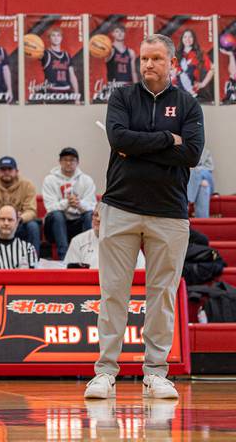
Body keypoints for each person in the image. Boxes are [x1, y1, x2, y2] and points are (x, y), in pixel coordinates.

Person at [85, 34, 204, 400]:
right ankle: (105, 373)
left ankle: (155, 373)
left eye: (155, 59)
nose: (148, 65)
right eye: (143, 59)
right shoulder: (122, 97)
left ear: (172, 63)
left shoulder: (188, 104)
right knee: (113, 295)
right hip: (120, 208)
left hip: (169, 214)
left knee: (162, 296)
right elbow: (119, 139)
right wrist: (169, 141)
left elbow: (193, 154)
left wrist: (139, 147)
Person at [42, 148, 97, 259]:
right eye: (65, 160)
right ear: (60, 162)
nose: (68, 163)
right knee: (57, 215)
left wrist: (78, 203)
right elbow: (50, 208)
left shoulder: (86, 180)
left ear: (77, 162)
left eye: (72, 160)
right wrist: (67, 203)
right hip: (56, 225)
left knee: (89, 215)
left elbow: (92, 206)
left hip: (78, 222)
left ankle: (89, 254)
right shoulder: (50, 180)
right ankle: (64, 258)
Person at [0, 157, 40, 253]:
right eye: (3, 169)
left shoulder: (27, 185)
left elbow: (31, 210)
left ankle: (33, 262)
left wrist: (19, 219)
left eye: (10, 169)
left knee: (33, 226)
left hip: (18, 225)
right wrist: (0, 219)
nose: (6, 172)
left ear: (16, 171)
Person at [65, 207, 145, 269]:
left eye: (103, 216)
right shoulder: (78, 241)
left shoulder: (129, 241)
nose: (98, 219)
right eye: (96, 215)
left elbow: (141, 270)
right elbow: (70, 273)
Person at [173, 28, 214, 98]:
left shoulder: (200, 54)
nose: (187, 39)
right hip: (175, 92)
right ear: (182, 39)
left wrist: (203, 84)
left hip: (192, 93)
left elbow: (212, 69)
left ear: (194, 39)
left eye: (190, 37)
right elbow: (171, 71)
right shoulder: (176, 54)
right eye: (185, 37)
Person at [41, 28, 80, 97]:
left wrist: (76, 96)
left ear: (61, 38)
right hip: (51, 92)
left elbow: (72, 76)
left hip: (66, 91)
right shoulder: (46, 54)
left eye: (58, 35)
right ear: (49, 38)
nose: (56, 38)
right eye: (53, 35)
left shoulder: (67, 55)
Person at [187, 147, 214, 219]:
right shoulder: (185, 151)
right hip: (199, 183)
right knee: (203, 188)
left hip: (206, 177)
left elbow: (210, 168)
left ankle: (188, 200)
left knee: (197, 172)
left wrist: (197, 170)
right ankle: (202, 221)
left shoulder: (206, 151)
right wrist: (200, 181)